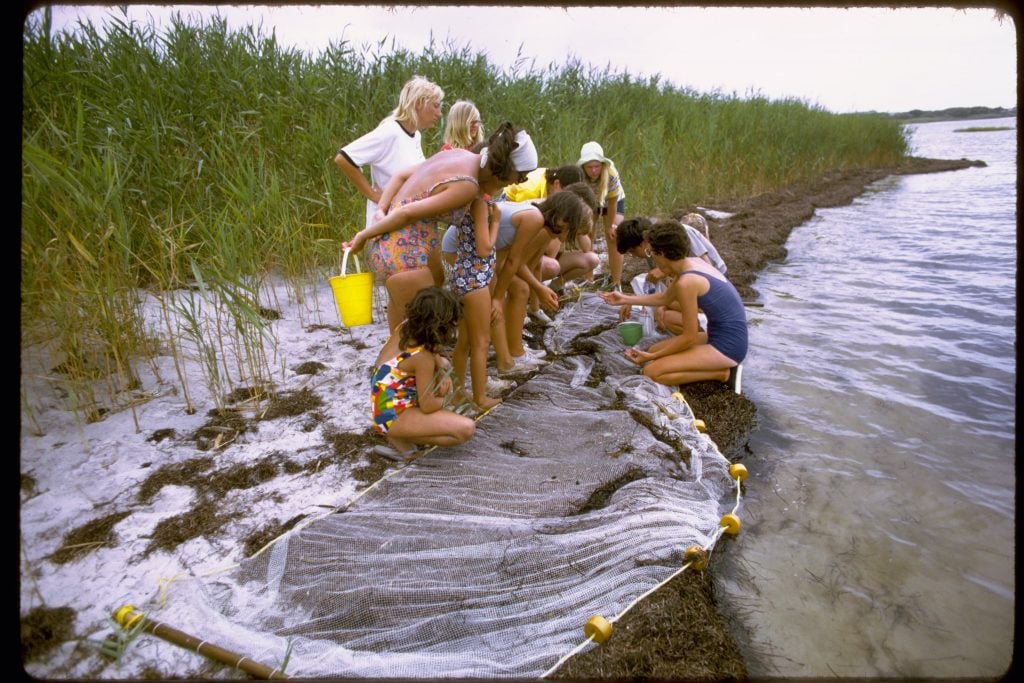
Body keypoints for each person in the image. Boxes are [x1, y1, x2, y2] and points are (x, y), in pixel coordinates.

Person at [342, 121, 538, 331]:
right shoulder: (467, 185)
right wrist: (363, 236)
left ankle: (393, 362)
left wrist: (381, 210)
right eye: (522, 175)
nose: (520, 181)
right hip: (403, 252)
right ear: (506, 169)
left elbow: (401, 175)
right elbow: (406, 213)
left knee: (403, 333)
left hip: (394, 245)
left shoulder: (459, 155)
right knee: (422, 337)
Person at [598, 220, 747, 390]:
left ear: (661, 253)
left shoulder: (687, 282)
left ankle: (725, 374)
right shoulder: (690, 263)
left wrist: (650, 356)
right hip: (717, 334)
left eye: (651, 252)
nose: (651, 256)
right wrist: (624, 298)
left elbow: (689, 337)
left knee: (652, 371)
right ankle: (712, 365)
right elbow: (664, 299)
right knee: (654, 349)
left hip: (728, 346)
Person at [487, 191, 590, 374]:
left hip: (491, 255)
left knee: (521, 289)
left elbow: (530, 264)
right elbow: (513, 262)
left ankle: (514, 350)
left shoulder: (544, 225)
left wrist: (538, 293)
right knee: (516, 291)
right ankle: (507, 357)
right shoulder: (539, 225)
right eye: (575, 232)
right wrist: (538, 288)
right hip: (477, 254)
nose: (571, 236)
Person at [370, 286, 476, 459]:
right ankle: (400, 437)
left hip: (384, 406)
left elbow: (433, 352)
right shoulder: (422, 358)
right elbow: (428, 406)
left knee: (442, 364)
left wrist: (441, 369)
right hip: (393, 415)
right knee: (465, 429)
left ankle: (405, 434)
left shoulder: (406, 327)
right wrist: (449, 397)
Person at [334, 75, 444, 230]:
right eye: (436, 106)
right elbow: (343, 158)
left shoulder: (416, 135)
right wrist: (373, 196)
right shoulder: (390, 131)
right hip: (385, 226)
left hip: (406, 224)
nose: (439, 114)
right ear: (419, 103)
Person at [615, 215, 728, 334]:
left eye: (633, 251)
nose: (634, 256)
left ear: (644, 242)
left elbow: (707, 271)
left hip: (714, 284)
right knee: (661, 311)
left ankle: (701, 332)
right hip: (693, 283)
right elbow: (666, 291)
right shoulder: (653, 251)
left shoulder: (680, 234)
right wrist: (633, 299)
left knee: (666, 310)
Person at [449, 196, 502, 410]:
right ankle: (481, 398)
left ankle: (457, 393)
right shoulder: (479, 204)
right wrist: (496, 221)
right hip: (475, 279)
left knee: (464, 341)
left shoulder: (465, 201)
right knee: (481, 342)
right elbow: (484, 248)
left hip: (462, 275)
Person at [578, 141, 627, 290]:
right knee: (587, 234)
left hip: (611, 202)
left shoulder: (611, 174)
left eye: (597, 166)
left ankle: (616, 282)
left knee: (613, 237)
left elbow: (612, 202)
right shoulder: (578, 175)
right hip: (590, 202)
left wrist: (611, 226)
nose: (593, 170)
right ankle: (588, 278)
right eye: (589, 167)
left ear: (602, 164)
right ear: (583, 167)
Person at [499, 165, 584, 202]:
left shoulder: (552, 179)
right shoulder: (531, 190)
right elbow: (522, 215)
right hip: (509, 204)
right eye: (568, 195)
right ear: (557, 184)